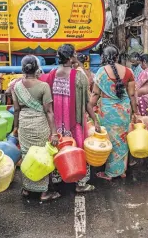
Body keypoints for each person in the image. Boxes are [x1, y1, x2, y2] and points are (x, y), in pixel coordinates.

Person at [46, 45, 101, 192]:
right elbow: (86, 103)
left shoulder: (51, 74)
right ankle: (80, 184)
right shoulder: (79, 76)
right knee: (77, 148)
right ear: (71, 58)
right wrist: (95, 120)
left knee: (58, 148)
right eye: (75, 54)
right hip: (74, 122)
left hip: (56, 124)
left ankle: (58, 177)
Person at [12, 55, 60, 201]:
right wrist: (54, 133)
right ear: (37, 68)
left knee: (27, 155)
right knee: (42, 156)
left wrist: (15, 127)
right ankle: (43, 192)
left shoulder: (16, 86)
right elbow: (49, 112)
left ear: (23, 69)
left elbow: (16, 109)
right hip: (40, 124)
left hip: (24, 124)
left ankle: (27, 188)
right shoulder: (43, 86)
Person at [89, 45, 139, 180]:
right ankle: (122, 171)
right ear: (117, 57)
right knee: (122, 140)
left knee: (110, 140)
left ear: (104, 58)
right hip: (124, 111)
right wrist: (136, 113)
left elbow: (95, 94)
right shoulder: (128, 72)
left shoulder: (100, 72)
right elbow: (133, 96)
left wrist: (88, 109)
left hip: (108, 112)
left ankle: (110, 173)